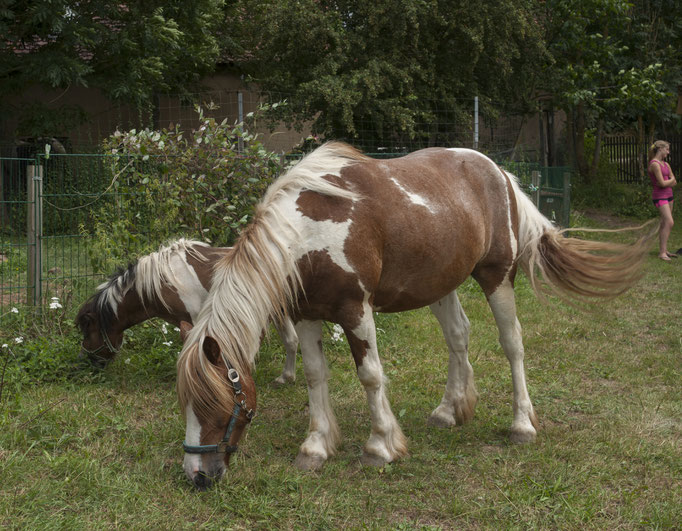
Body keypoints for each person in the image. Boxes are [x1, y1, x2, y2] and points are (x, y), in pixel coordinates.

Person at [648, 140, 677, 261]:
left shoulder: (666, 164)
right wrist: (669, 181)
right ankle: (661, 253)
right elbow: (662, 183)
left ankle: (664, 251)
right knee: (669, 222)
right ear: (660, 149)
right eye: (667, 149)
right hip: (660, 196)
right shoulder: (654, 164)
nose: (668, 152)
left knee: (665, 223)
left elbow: (674, 182)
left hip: (669, 195)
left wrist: (668, 182)